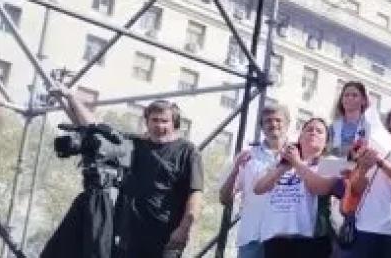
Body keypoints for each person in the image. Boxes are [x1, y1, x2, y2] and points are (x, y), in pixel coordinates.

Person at [57, 92, 204, 257]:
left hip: (165, 238)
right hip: (128, 236)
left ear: (174, 123)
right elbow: (94, 128)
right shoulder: (135, 144)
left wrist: (184, 228)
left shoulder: (187, 151)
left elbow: (195, 194)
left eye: (164, 121)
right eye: (155, 120)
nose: (159, 125)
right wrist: (70, 97)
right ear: (147, 122)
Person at [254, 116, 342, 258]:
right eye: (309, 129)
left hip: (311, 240)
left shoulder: (330, 163)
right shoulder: (282, 162)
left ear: (326, 142)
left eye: (319, 131)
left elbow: (320, 188)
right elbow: (259, 188)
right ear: (300, 137)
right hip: (276, 239)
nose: (313, 132)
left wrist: (297, 163)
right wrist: (283, 167)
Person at [343, 101, 391, 256]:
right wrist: (362, 169)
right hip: (364, 223)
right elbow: (358, 188)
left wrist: (380, 161)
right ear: (390, 118)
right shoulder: (373, 144)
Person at [220, 104, 291, 258]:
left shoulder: (298, 155)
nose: (273, 124)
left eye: (278, 120)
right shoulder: (247, 155)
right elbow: (225, 198)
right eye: (268, 121)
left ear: (287, 124)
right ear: (262, 127)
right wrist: (235, 170)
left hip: (287, 239)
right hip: (253, 237)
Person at [329, 81, 372, 157]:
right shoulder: (332, 127)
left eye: (354, 95)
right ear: (341, 100)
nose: (350, 98)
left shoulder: (369, 127)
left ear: (363, 101)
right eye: (346, 95)